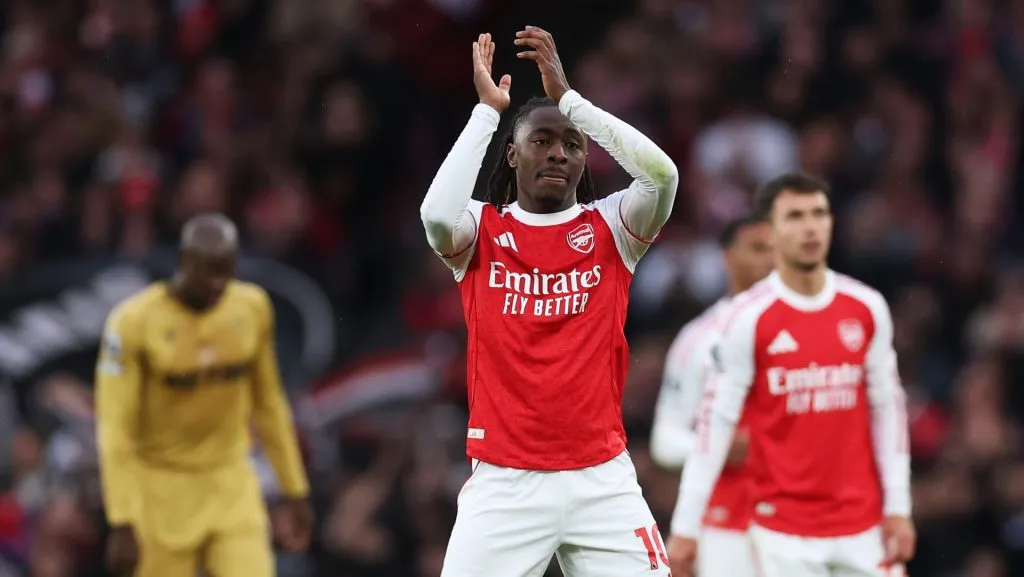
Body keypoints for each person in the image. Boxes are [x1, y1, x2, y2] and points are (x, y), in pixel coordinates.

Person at [419, 28, 679, 577]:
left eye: (572, 144)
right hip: (505, 483)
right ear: (512, 155)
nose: (559, 152)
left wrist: (573, 103)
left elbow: (662, 175)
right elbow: (436, 215)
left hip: (602, 480)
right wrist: (487, 113)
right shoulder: (481, 231)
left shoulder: (612, 228)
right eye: (541, 140)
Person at [666, 172, 916, 577]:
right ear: (771, 230)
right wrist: (685, 528)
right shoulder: (746, 318)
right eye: (795, 216)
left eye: (818, 214)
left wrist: (898, 507)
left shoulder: (866, 306)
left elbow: (889, 409)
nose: (810, 227)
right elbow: (716, 424)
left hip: (864, 526)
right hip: (782, 533)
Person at [95, 213, 313, 577]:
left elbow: (269, 404)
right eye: (209, 271)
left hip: (230, 482)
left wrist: (295, 488)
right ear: (184, 262)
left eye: (226, 271)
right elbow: (116, 429)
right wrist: (122, 519)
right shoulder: (133, 323)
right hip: (160, 492)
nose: (218, 283)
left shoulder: (252, 307)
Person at [650, 214, 773, 577]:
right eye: (757, 249)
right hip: (726, 520)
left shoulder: (812, 331)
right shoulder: (699, 338)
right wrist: (718, 445)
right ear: (726, 257)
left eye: (776, 250)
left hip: (803, 514)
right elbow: (664, 441)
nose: (770, 260)